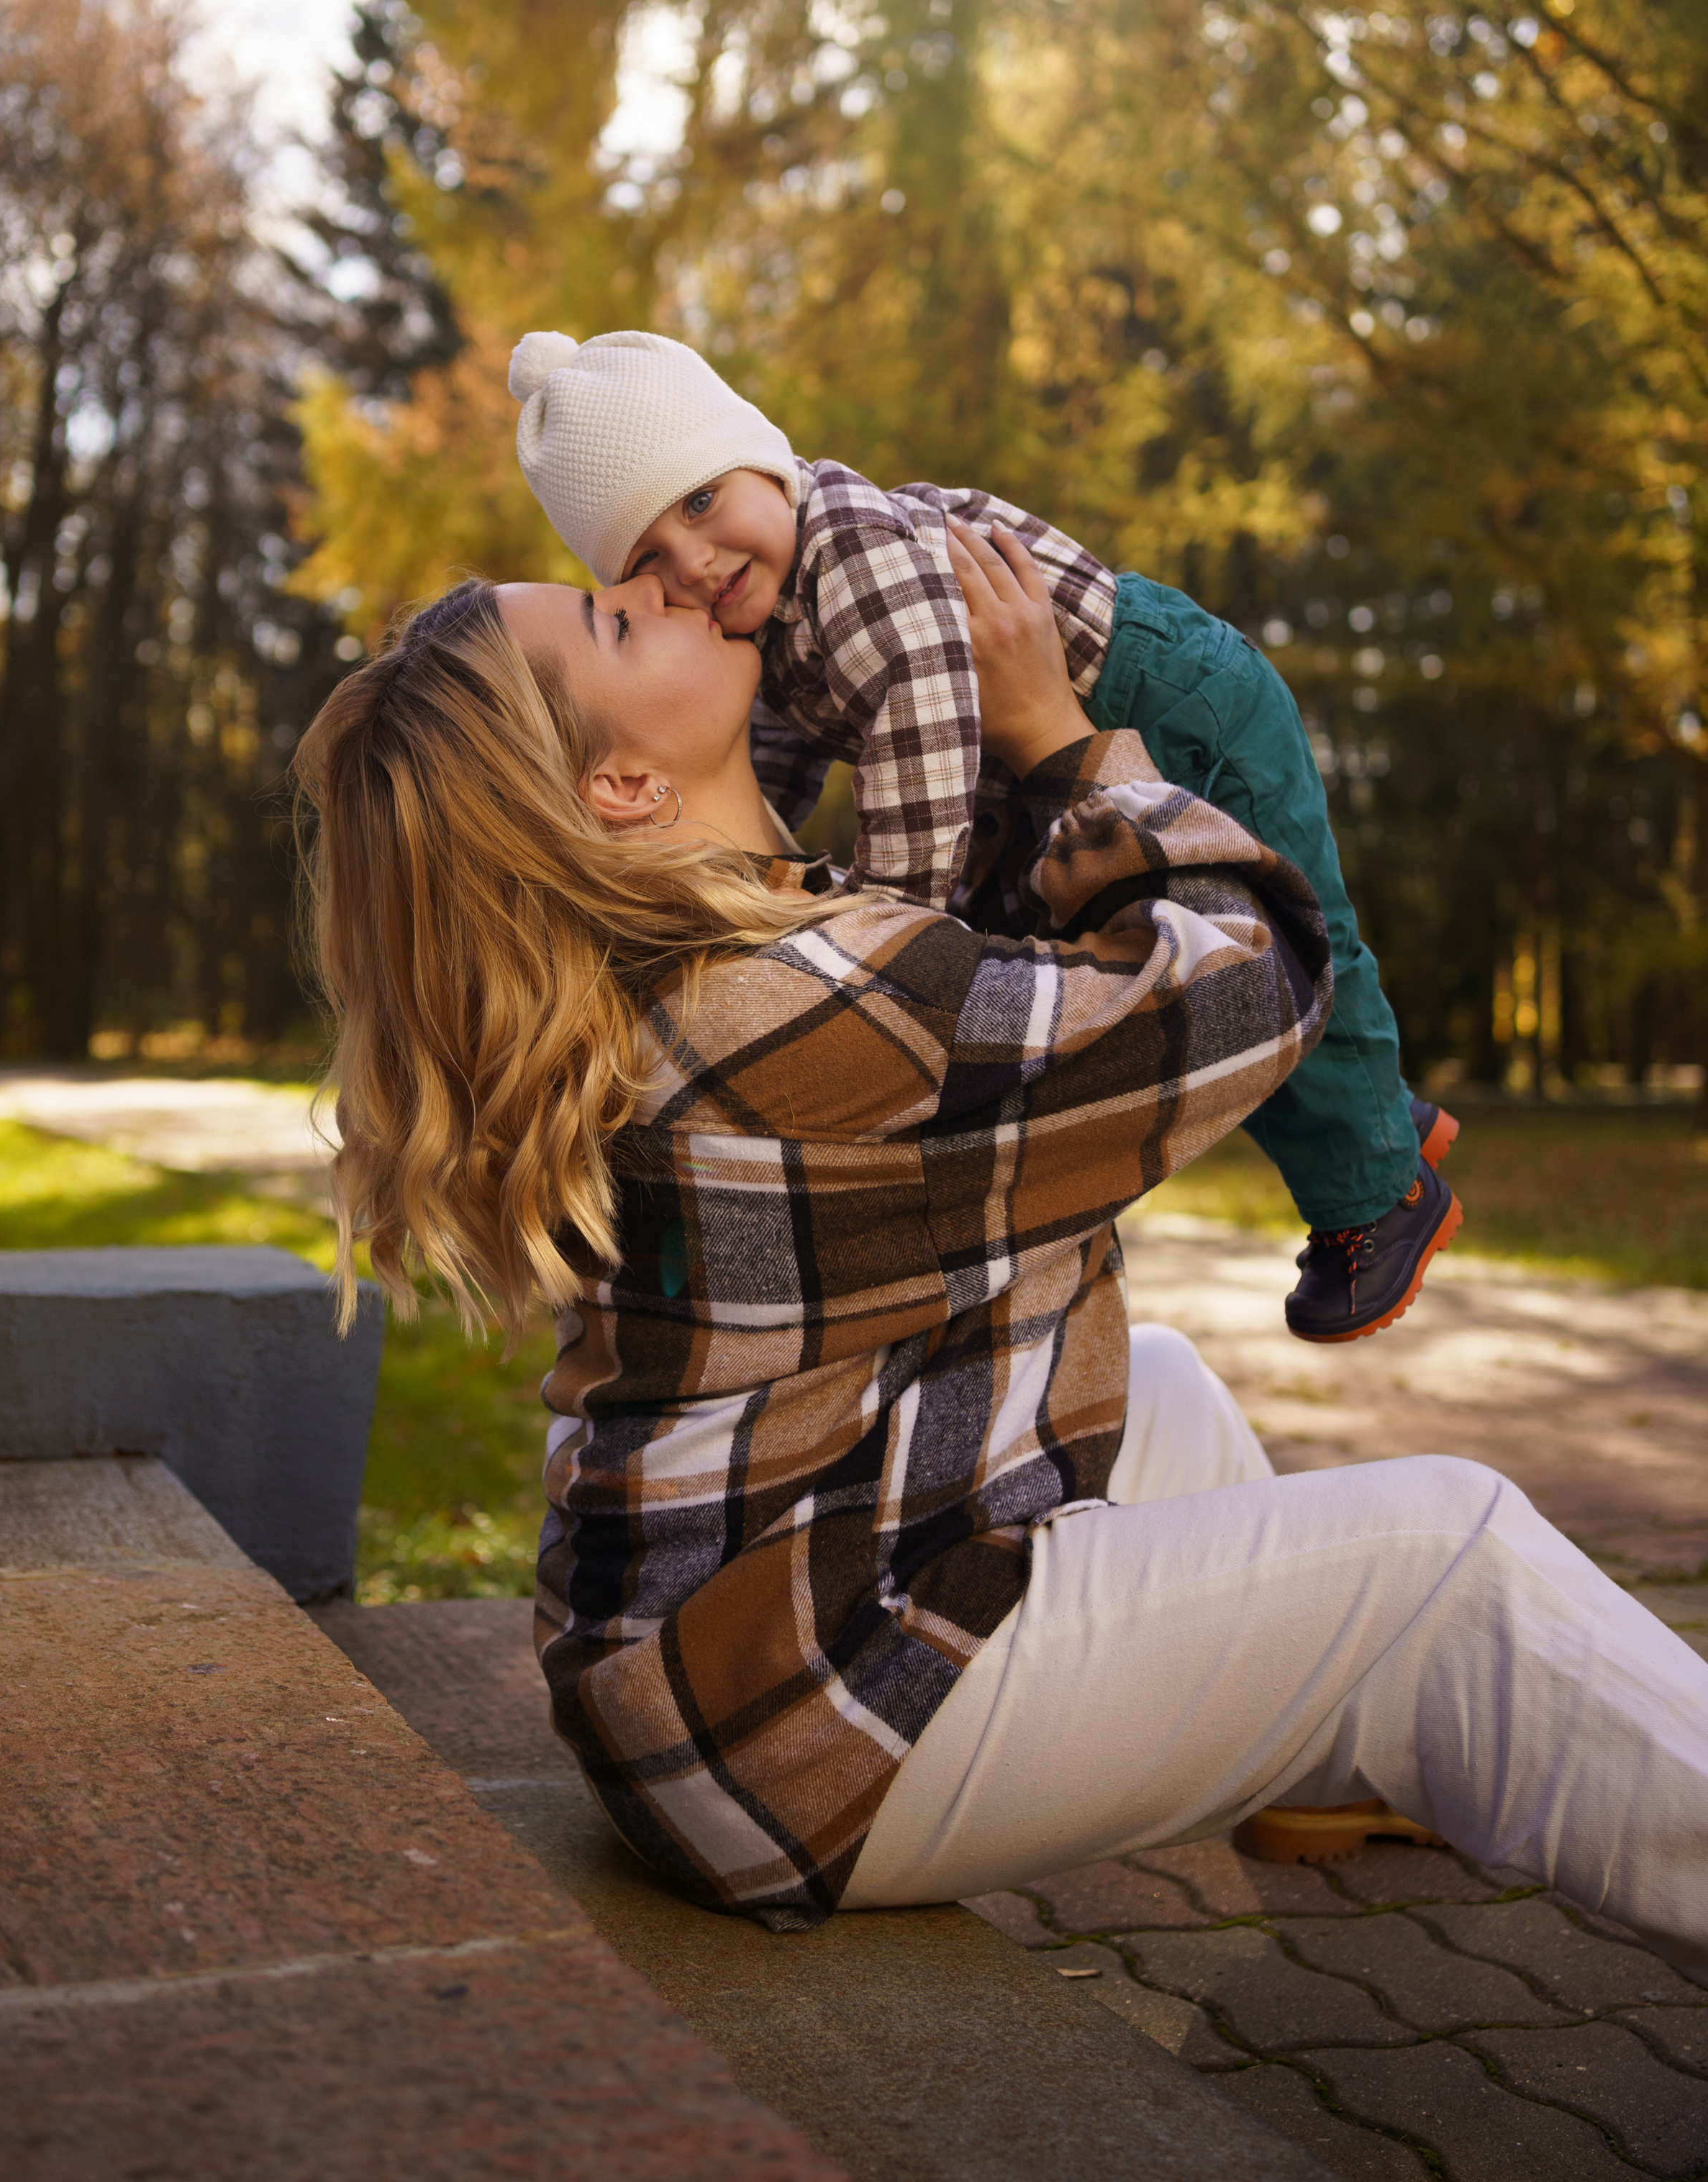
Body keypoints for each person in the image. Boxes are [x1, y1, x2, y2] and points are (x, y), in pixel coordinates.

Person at [294, 526, 1708, 1978]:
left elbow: (982, 1025)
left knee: (1147, 1387)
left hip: (702, 1689)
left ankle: (1316, 1779)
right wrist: (1062, 743)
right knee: (1447, 1556)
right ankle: (1405, 1701)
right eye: (613, 619)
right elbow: (1244, 996)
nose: (660, 582)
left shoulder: (712, 965)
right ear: (621, 784)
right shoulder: (778, 1004)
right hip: (810, 1737)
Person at [506, 324, 1457, 1347]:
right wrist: (765, 879)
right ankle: (1382, 1115)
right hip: (1045, 764)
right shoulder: (764, 608)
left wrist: (888, 933)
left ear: (765, 459)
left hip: (1172, 700)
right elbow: (772, 745)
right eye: (649, 557)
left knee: (1293, 928)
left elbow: (919, 718)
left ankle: (1378, 1194)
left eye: (701, 501)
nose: (695, 561)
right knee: (1162, 956)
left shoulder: (853, 555)